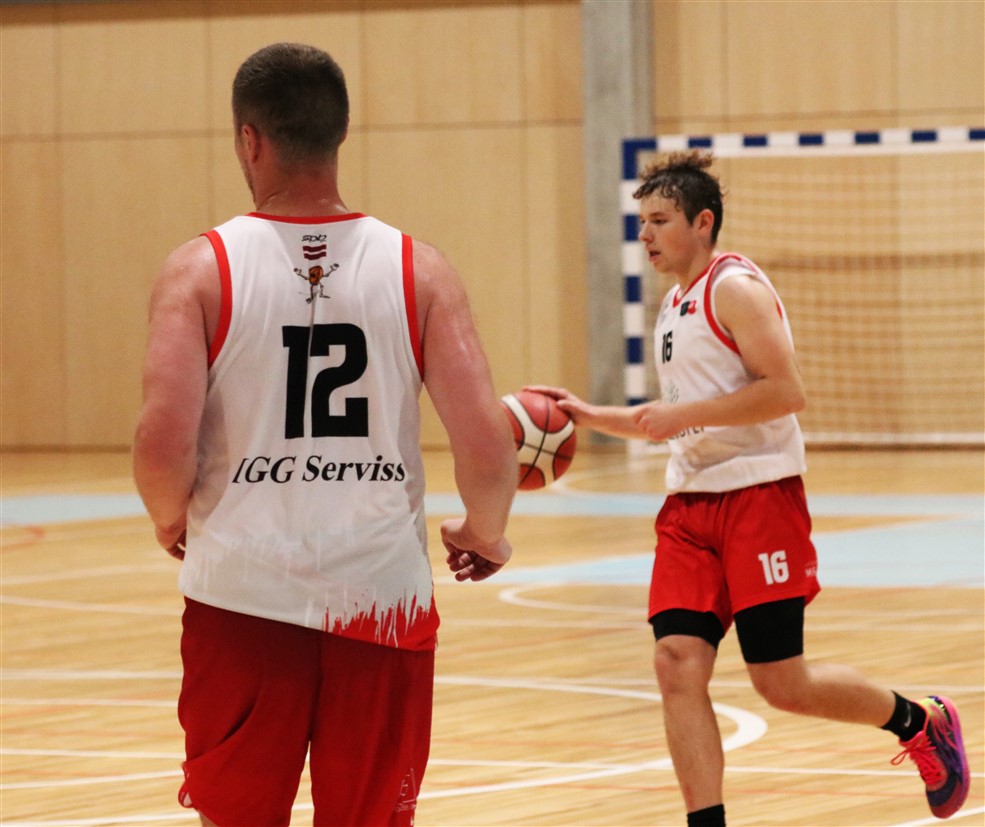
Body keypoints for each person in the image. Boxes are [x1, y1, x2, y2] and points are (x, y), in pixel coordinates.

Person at [132, 42, 517, 827]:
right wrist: (484, 531)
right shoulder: (419, 270)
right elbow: (485, 445)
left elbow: (160, 445)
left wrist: (171, 518)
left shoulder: (198, 270)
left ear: (249, 139)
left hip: (239, 597)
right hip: (380, 600)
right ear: (340, 132)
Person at [529, 151, 969, 826]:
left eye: (660, 220)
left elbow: (784, 391)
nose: (645, 234)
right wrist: (588, 415)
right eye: (641, 222)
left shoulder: (734, 288)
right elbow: (671, 418)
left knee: (781, 682)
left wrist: (682, 415)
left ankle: (919, 720)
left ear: (702, 222)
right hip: (688, 508)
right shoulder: (672, 305)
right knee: (676, 662)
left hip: (759, 500)